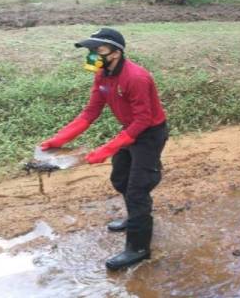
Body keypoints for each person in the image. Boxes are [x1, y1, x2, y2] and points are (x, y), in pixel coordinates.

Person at [40, 28, 168, 270]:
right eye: (90, 50)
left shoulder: (136, 78)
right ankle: (135, 217)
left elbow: (143, 120)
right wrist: (60, 139)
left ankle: (139, 248)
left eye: (98, 50)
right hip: (129, 131)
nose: (92, 55)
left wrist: (106, 149)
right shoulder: (102, 74)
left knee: (137, 190)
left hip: (149, 134)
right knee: (120, 178)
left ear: (116, 53)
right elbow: (91, 111)